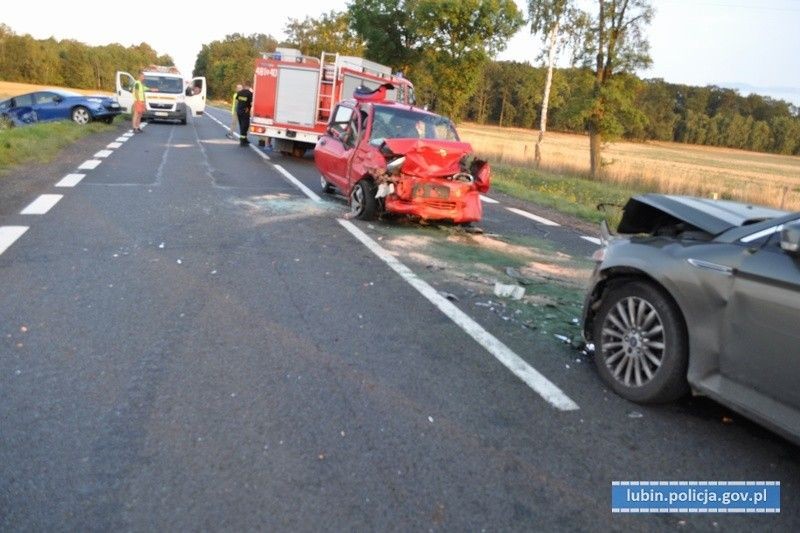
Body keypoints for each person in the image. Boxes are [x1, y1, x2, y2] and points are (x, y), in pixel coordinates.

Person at [235, 82, 253, 147]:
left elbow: (237, 100)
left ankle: (244, 139)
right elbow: (251, 103)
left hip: (239, 111)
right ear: (250, 86)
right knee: (245, 126)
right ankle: (242, 141)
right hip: (245, 112)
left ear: (244, 86)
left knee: (242, 125)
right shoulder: (250, 93)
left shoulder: (239, 92)